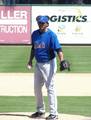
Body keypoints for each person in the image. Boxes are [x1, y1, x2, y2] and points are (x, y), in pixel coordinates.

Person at [27, 15, 64, 120]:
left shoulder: (51, 35)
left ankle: (54, 114)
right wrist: (30, 60)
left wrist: (62, 61)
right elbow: (33, 48)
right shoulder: (34, 34)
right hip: (38, 64)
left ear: (47, 23)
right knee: (37, 88)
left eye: (43, 23)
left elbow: (58, 49)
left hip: (49, 63)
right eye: (39, 22)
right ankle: (40, 111)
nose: (40, 24)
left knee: (50, 88)